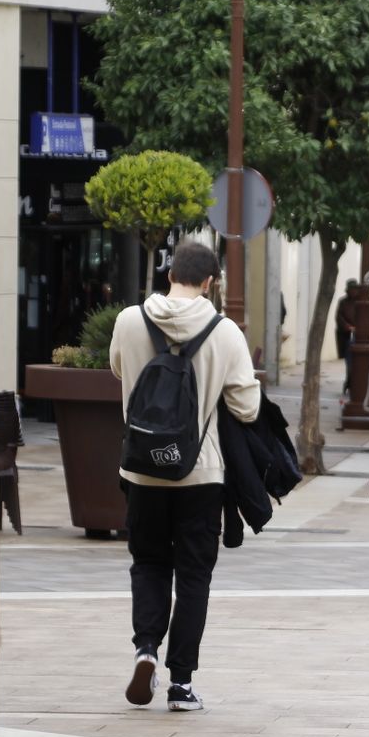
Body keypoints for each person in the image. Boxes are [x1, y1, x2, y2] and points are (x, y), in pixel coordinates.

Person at [110, 240, 260, 712]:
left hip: (141, 471)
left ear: (168, 272)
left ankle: (145, 649)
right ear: (210, 282)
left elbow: (118, 371)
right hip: (200, 473)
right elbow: (247, 407)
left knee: (148, 562)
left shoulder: (129, 321)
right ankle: (180, 685)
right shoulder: (225, 331)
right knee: (193, 577)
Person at [335, 279, 358, 394]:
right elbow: (338, 317)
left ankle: (351, 384)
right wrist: (347, 326)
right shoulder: (343, 302)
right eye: (351, 289)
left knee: (356, 365)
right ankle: (349, 384)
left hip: (358, 337)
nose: (353, 292)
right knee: (349, 364)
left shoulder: (361, 302)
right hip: (346, 336)